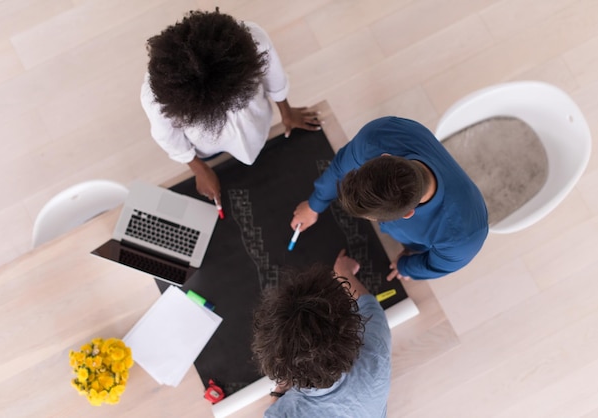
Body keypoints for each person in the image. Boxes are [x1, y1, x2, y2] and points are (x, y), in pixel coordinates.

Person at [141, 9, 321, 203]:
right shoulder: (157, 97)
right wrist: (199, 169)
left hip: (258, 122)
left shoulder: (253, 40)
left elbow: (273, 77)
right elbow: (168, 137)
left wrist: (286, 112)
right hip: (208, 146)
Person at [290, 116, 489, 281]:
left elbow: (437, 266)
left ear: (409, 213)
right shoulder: (378, 136)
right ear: (384, 157)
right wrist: (314, 204)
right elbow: (341, 167)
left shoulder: (463, 237)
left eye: (375, 219)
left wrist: (406, 266)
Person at [252, 250, 391, 418]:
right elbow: (369, 307)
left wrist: (278, 394)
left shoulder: (280, 415)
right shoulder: (375, 352)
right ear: (351, 331)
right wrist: (344, 274)